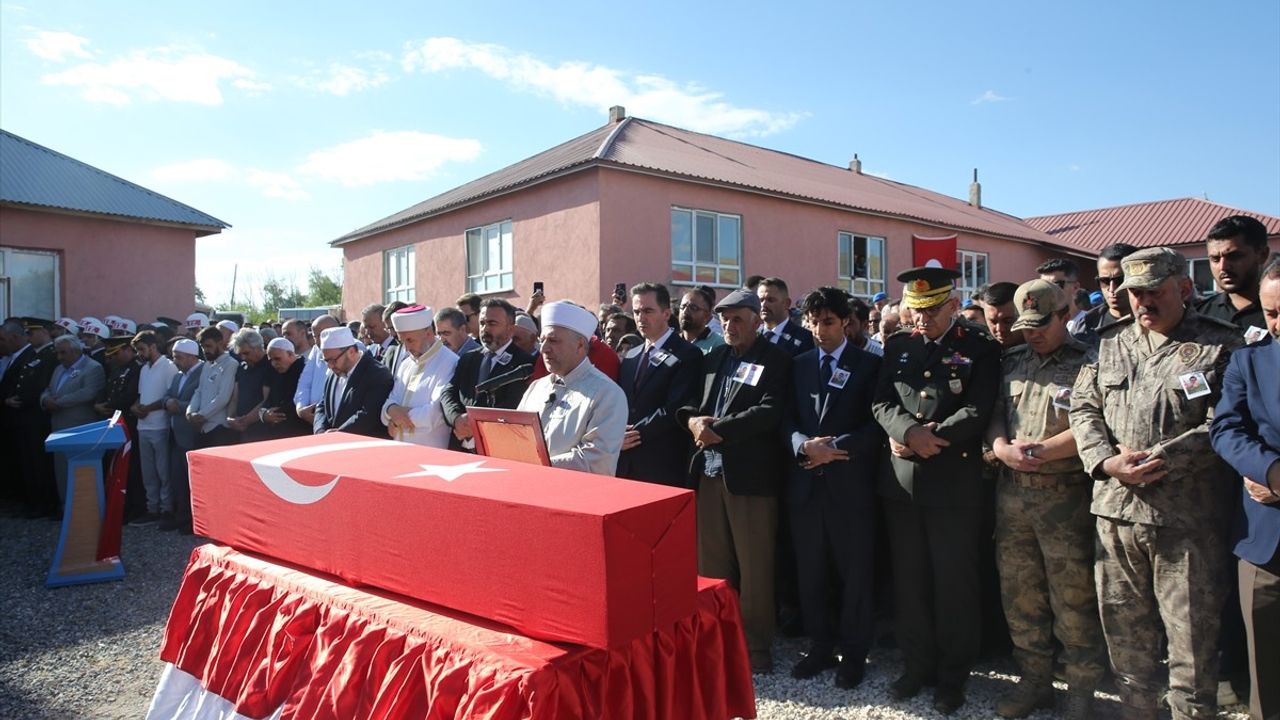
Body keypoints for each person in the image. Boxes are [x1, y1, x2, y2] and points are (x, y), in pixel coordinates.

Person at [1069, 246, 1242, 720]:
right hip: (1115, 514)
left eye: (1154, 292)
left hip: (1185, 520)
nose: (1142, 302)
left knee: (1191, 643)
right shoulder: (1110, 343)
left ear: (1184, 288)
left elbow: (1224, 422)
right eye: (1134, 293)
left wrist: (1156, 459)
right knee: (1127, 640)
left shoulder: (1219, 344)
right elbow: (1083, 408)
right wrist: (1105, 461)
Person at [871, 266, 1001, 714]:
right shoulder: (900, 346)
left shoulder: (979, 348)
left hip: (953, 482)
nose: (920, 320)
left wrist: (933, 438)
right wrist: (909, 433)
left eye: (930, 311)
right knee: (910, 581)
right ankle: (917, 665)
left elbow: (980, 407)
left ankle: (953, 675)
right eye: (915, 310)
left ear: (952, 305)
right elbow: (882, 400)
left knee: (953, 584)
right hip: (903, 482)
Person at [985, 280, 1103, 719]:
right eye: (1025, 325)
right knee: (1020, 595)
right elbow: (996, 410)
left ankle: (1081, 690)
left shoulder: (1087, 361)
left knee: (1073, 599)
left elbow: (1094, 421)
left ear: (1065, 314)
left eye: (1041, 325)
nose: (1032, 333)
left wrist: (1043, 452)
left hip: (1064, 500)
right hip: (1013, 500)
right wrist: (999, 447)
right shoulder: (1012, 359)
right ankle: (1034, 680)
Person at [676, 288, 792, 674]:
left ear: (757, 320)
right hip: (708, 473)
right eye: (724, 318)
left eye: (738, 318)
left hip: (750, 478)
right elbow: (692, 403)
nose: (730, 325)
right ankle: (714, 638)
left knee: (755, 564)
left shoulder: (775, 359)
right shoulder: (715, 358)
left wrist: (721, 431)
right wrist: (693, 421)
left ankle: (756, 645)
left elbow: (771, 410)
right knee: (711, 564)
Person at [783, 287, 883, 688]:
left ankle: (855, 654)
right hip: (806, 487)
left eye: (827, 322)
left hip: (850, 487)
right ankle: (820, 646)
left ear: (845, 322)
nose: (819, 330)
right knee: (811, 571)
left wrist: (835, 449)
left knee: (854, 573)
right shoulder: (799, 364)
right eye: (812, 321)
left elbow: (876, 424)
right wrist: (802, 446)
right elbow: (785, 419)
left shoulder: (869, 365)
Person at [1210, 256, 1280, 720]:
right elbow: (1227, 430)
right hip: (1267, 542)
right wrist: (1273, 472)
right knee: (1268, 676)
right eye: (1271, 313)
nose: (1278, 324)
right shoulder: (1248, 361)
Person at [516, 301, 627, 474]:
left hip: (574, 497)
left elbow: (596, 462)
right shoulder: (535, 388)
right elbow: (517, 439)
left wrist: (535, 466)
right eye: (542, 340)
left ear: (580, 345)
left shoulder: (608, 394)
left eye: (553, 340)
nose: (543, 348)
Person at [616, 283, 702, 487]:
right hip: (626, 462)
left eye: (648, 311)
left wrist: (634, 433)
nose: (641, 318)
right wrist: (615, 433)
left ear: (666, 313)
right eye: (636, 311)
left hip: (662, 463)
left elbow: (675, 406)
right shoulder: (630, 356)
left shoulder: (687, 354)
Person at [441, 298, 535, 452]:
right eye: (482, 323)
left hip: (496, 447)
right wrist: (457, 418)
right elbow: (449, 391)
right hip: (460, 444)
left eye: (492, 324)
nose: (485, 329)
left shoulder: (523, 363)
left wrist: (475, 425)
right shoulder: (468, 358)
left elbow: (512, 405)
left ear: (510, 329)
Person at [40, 334, 105, 508]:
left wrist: (58, 402)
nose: (60, 357)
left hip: (80, 427)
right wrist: (45, 400)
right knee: (61, 469)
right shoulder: (59, 369)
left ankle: (82, 510)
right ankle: (65, 505)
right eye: (58, 353)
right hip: (59, 426)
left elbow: (89, 392)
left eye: (63, 353)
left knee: (80, 471)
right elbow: (48, 389)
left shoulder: (92, 368)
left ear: (76, 351)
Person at [1, 319, 58, 516]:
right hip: (24, 416)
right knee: (28, 462)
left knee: (38, 462)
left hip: (36, 416)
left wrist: (24, 399)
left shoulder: (51, 355)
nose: (29, 337)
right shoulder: (34, 355)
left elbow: (42, 384)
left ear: (43, 332)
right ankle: (33, 501)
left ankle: (44, 503)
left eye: (32, 333)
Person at [381, 305, 458, 447]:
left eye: (410, 340)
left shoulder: (449, 361)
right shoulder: (406, 364)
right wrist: (391, 409)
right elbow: (390, 401)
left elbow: (435, 413)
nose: (406, 348)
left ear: (428, 332)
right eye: (401, 341)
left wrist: (397, 416)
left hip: (432, 452)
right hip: (400, 449)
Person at [129, 330, 179, 526]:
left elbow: (170, 396)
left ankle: (167, 509)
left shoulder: (168, 367)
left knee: (163, 470)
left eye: (142, 349)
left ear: (153, 346)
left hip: (161, 425)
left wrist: (148, 408)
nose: (139, 354)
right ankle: (152, 508)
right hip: (143, 426)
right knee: (148, 472)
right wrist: (136, 406)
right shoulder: (144, 369)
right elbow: (142, 395)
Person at [1195, 215, 1272, 336]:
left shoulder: (1275, 313)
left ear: (1262, 254)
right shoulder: (1197, 315)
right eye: (1215, 259)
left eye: (1234, 256)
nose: (1223, 267)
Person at [314, 326, 394, 437]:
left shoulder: (377, 374)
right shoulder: (335, 371)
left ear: (351, 352)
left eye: (333, 360)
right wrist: (320, 430)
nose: (330, 366)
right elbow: (322, 405)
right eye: (326, 361)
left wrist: (339, 434)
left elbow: (369, 415)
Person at [162, 338, 203, 533]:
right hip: (176, 434)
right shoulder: (178, 376)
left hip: (192, 433)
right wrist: (169, 402)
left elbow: (201, 400)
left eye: (178, 357)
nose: (175, 361)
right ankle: (181, 516)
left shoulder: (203, 372)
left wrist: (179, 405)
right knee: (177, 477)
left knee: (192, 480)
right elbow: (167, 395)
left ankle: (193, 520)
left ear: (191, 357)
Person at [1076, 243, 1140, 348]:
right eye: (1104, 281)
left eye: (1121, 280)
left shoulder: (1155, 321)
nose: (1112, 289)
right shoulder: (1085, 326)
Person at [186, 326, 240, 448]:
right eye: (203, 347)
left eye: (209, 346)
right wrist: (190, 412)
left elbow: (223, 397)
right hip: (202, 428)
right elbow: (198, 391)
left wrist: (201, 415)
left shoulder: (231, 364)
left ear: (220, 343)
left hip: (219, 428)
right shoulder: (206, 365)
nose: (205, 350)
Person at [248, 337, 309, 441]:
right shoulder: (276, 373)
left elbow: (302, 402)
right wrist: (264, 414)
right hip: (277, 434)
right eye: (271, 360)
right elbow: (267, 401)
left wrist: (277, 413)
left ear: (290, 354)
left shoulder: (305, 371)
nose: (274, 364)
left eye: (277, 359)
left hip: (299, 433)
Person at [224, 329, 270, 443]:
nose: (243, 357)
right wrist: (230, 418)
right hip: (241, 428)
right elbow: (235, 396)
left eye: (246, 353)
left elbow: (267, 400)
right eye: (240, 354)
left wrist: (246, 421)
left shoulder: (269, 366)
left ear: (258, 347)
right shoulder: (242, 367)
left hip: (262, 429)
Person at [295, 314, 339, 426]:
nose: (319, 341)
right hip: (314, 418)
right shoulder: (316, 350)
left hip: (335, 420)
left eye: (323, 335)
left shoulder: (352, 349)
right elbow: (305, 381)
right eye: (315, 336)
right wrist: (301, 408)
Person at [757, 277, 814, 356]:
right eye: (760, 300)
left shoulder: (804, 338)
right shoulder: (751, 335)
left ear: (786, 303)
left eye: (770, 300)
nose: (763, 305)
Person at [1037, 259, 1087, 335]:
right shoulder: (1036, 325)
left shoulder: (1092, 324)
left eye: (1056, 285)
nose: (1050, 291)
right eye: (1044, 286)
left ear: (1075, 287)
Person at [678, 286, 726, 354]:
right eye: (682, 307)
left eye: (693, 308)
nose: (685, 312)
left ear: (707, 315)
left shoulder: (719, 344)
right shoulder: (672, 341)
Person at [981, 282, 1026, 349]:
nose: (1000, 329)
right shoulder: (981, 350)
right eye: (993, 322)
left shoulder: (1043, 352)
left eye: (1008, 321)